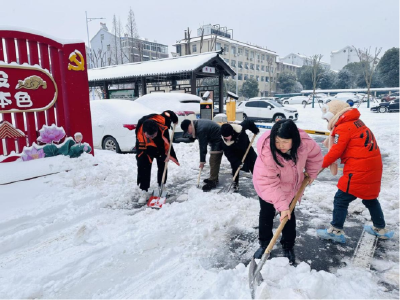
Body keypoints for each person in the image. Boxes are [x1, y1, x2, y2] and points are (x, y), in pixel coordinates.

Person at [317, 100, 393, 242]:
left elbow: (335, 152)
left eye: (327, 118)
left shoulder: (344, 127)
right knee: (370, 198)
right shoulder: (357, 122)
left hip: (359, 170)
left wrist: (318, 166)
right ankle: (380, 228)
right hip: (372, 167)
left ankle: (335, 230)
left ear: (334, 114)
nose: (327, 121)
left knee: (341, 199)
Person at [252, 119, 323, 264]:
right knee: (266, 214)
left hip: (291, 187)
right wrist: (282, 206)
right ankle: (265, 244)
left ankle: (288, 245)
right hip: (268, 188)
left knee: (289, 217)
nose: (280, 146)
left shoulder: (305, 144)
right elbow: (269, 183)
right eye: (277, 141)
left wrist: (311, 172)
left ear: (294, 139)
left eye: (285, 142)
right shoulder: (268, 154)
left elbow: (315, 157)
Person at [135, 110, 179, 203]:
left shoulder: (162, 120)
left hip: (161, 144)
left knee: (163, 165)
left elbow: (168, 113)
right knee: (144, 166)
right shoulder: (141, 136)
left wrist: (174, 118)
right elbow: (148, 151)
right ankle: (144, 190)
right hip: (146, 148)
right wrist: (161, 157)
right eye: (150, 136)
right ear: (145, 133)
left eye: (154, 135)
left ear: (157, 129)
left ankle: (161, 185)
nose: (152, 137)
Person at [181, 119, 223, 191]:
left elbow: (203, 146)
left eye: (187, 130)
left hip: (218, 140)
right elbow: (191, 139)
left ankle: (213, 181)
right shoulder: (196, 126)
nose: (188, 132)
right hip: (214, 140)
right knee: (212, 160)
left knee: (214, 160)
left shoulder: (200, 129)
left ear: (190, 125)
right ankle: (213, 178)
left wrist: (202, 161)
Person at [220, 120, 259, 192]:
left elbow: (248, 122)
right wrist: (237, 162)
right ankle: (235, 184)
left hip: (248, 150)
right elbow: (229, 155)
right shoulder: (224, 143)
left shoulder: (239, 128)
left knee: (255, 167)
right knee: (235, 167)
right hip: (236, 155)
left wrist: (254, 129)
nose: (227, 138)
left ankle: (259, 183)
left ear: (232, 133)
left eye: (228, 136)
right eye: (225, 137)